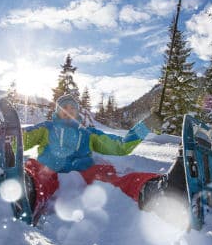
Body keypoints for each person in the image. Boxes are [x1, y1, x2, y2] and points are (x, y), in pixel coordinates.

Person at [17, 94, 187, 220]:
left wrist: (146, 126)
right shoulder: (46, 128)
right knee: (34, 168)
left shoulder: (88, 134)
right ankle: (26, 190)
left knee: (110, 175)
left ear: (77, 112)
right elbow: (19, 139)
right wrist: (0, 141)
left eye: (72, 108)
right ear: (57, 111)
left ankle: (154, 189)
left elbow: (121, 146)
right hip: (49, 171)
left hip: (83, 174)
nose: (69, 111)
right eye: (64, 108)